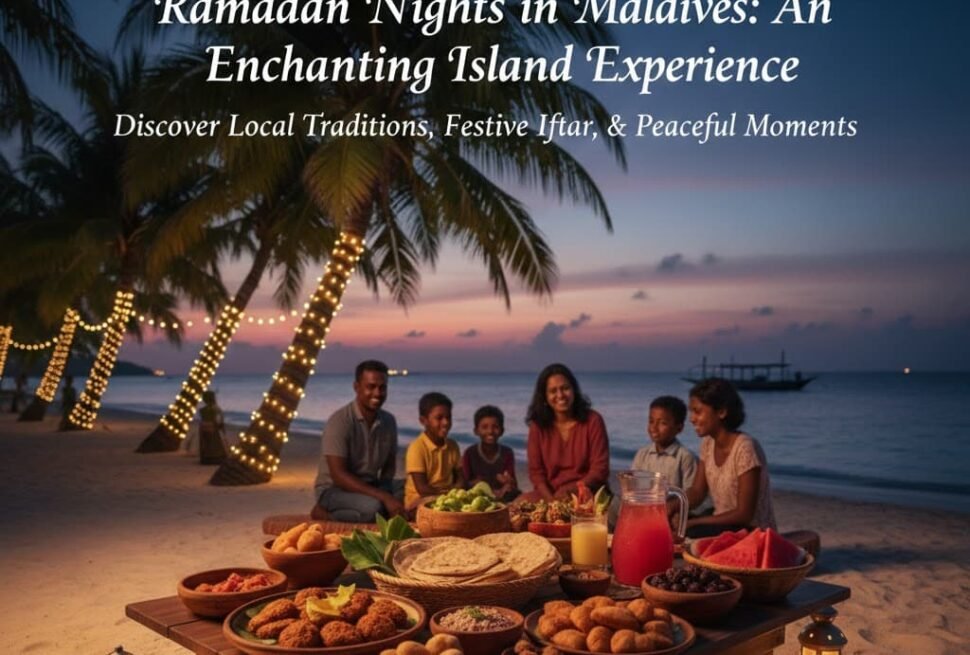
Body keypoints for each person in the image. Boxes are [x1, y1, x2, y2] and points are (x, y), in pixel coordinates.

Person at [683, 378, 777, 538]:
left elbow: (744, 514)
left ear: (721, 412)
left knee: (691, 530)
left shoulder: (745, 448)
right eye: (691, 412)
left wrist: (695, 522)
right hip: (724, 524)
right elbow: (698, 492)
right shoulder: (707, 444)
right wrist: (673, 505)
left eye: (698, 411)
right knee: (676, 521)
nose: (692, 418)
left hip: (752, 531)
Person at [314, 360, 404, 522]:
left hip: (370, 485)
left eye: (382, 387)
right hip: (335, 489)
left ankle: (381, 506)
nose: (377, 393)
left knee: (409, 490)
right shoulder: (340, 421)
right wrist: (384, 497)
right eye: (371, 387)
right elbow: (338, 475)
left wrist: (386, 490)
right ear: (357, 387)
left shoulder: (389, 421)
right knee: (373, 509)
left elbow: (389, 466)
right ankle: (324, 514)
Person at [525, 363, 610, 501]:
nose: (560, 395)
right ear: (545, 397)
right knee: (512, 511)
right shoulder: (538, 426)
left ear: (574, 390)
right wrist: (552, 502)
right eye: (553, 391)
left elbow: (600, 470)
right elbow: (536, 473)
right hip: (550, 494)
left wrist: (572, 489)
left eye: (565, 388)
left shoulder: (593, 421)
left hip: (587, 492)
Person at [404, 391, 464, 511]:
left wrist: (456, 491)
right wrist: (448, 495)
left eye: (448, 417)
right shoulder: (417, 447)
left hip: (446, 497)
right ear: (423, 420)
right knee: (441, 512)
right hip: (419, 499)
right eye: (439, 418)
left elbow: (461, 478)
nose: (446, 422)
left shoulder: (453, 445)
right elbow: (422, 488)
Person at [632, 395, 697, 490]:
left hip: (672, 504)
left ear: (679, 428)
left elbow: (690, 495)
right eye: (651, 421)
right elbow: (633, 486)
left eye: (662, 423)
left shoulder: (685, 458)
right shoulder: (642, 454)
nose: (654, 428)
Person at [462, 405, 519, 502]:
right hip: (477, 497)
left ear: (502, 431)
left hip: (502, 495)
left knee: (517, 495)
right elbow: (465, 482)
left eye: (495, 427)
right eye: (484, 427)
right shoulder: (469, 453)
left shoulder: (507, 453)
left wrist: (508, 482)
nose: (490, 431)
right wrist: (479, 484)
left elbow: (512, 482)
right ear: (476, 431)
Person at [198, 390, 229, 465]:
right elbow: (219, 421)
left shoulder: (202, 410)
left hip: (204, 428)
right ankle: (216, 458)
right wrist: (222, 428)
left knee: (206, 444)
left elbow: (201, 419)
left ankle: (206, 458)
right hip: (214, 429)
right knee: (215, 444)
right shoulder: (216, 409)